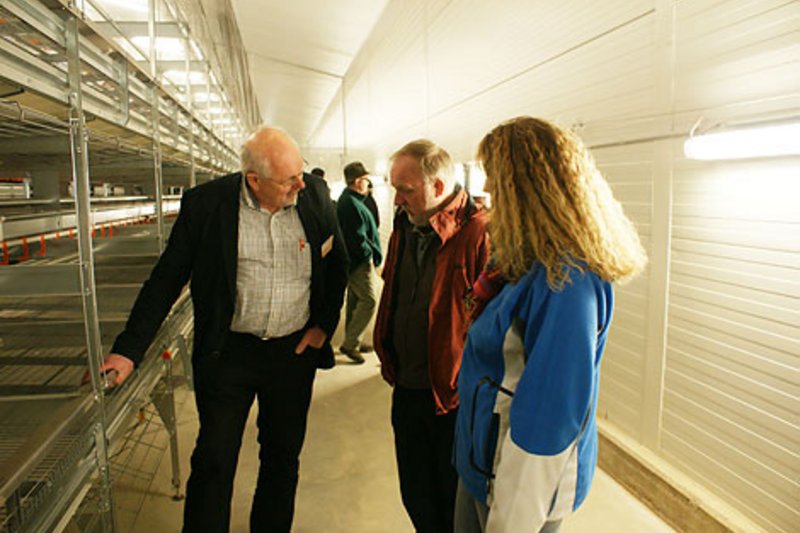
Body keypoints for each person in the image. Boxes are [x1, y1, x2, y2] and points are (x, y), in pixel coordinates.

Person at [98, 127, 348, 532]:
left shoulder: (314, 194)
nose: (300, 183)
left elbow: (337, 264)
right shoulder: (208, 205)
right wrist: (128, 349)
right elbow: (166, 278)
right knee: (214, 459)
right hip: (229, 354)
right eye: (288, 179)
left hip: (292, 354)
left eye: (300, 172)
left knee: (282, 459)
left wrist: (323, 326)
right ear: (254, 180)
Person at [453, 117, 647, 532]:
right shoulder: (520, 261)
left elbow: (549, 418)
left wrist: (512, 522)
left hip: (517, 487)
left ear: (528, 191)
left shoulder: (566, 282)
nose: (486, 193)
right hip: (483, 463)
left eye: (496, 183)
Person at [374, 139, 490, 532]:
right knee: (416, 492)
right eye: (395, 188)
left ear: (438, 187)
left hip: (453, 397)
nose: (397, 198)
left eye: (405, 189)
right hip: (407, 384)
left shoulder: (478, 232)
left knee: (452, 499)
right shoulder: (405, 227)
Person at [337, 161, 382, 363]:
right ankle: (350, 344)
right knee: (369, 301)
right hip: (358, 262)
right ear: (357, 181)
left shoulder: (352, 200)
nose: (368, 183)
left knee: (356, 300)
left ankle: (353, 340)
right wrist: (368, 256)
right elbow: (357, 238)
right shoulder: (351, 204)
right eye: (365, 179)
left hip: (354, 261)